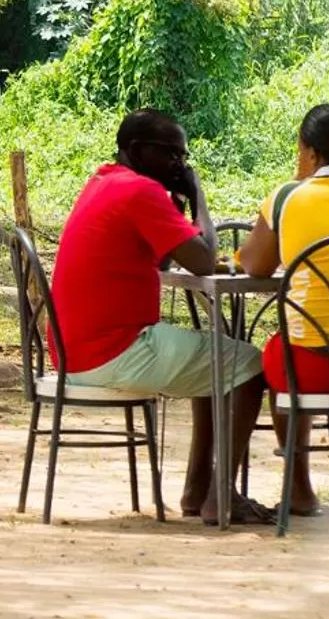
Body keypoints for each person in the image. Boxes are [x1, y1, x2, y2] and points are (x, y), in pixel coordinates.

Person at [50, 109, 271, 525]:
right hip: (113, 351)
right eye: (171, 154)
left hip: (74, 352)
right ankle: (221, 497)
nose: (180, 165)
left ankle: (196, 490)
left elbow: (168, 253)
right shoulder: (139, 192)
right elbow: (204, 261)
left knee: (216, 359)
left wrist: (177, 199)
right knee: (250, 366)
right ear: (136, 150)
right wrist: (198, 194)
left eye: (183, 157)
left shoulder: (104, 181)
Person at [237, 103, 329, 518]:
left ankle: (299, 487)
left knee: (279, 350)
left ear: (310, 153)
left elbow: (255, 266)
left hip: (307, 369)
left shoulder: (288, 197)